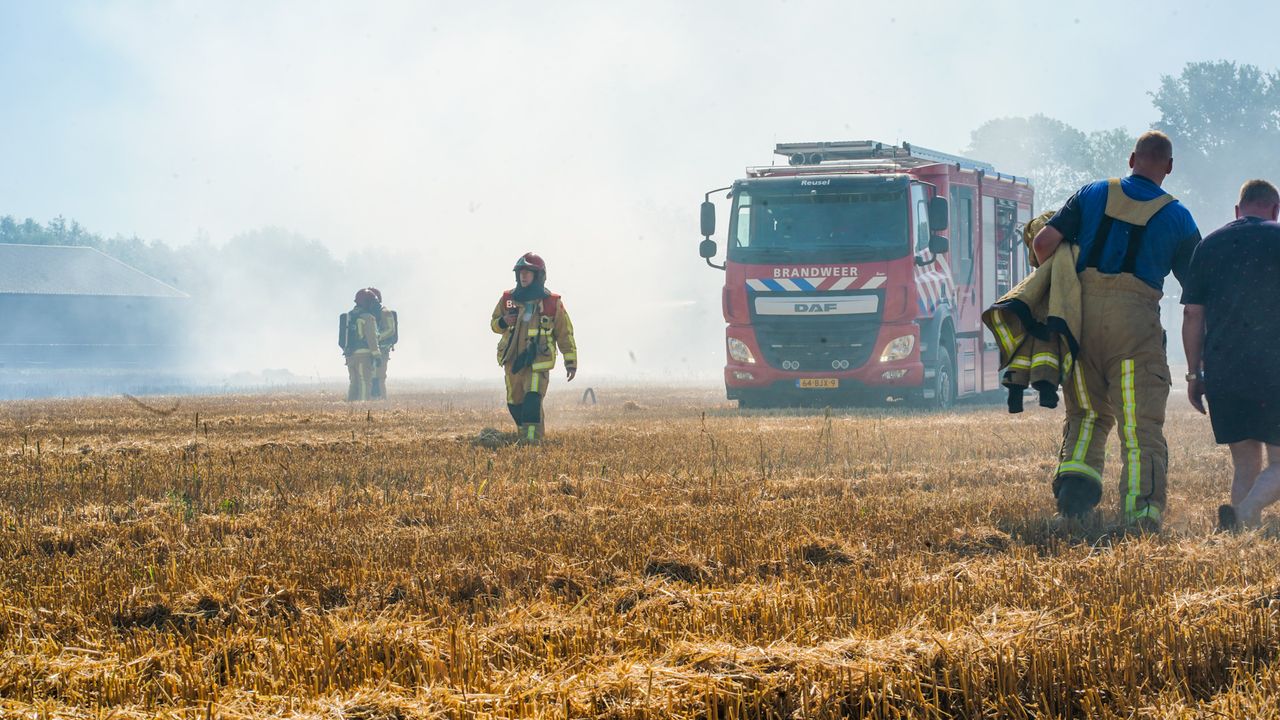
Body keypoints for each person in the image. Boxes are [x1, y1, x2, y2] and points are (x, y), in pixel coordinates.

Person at [1031, 131, 1201, 530]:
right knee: (1140, 426)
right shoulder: (1178, 216)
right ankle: (1141, 514)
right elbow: (1197, 289)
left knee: (1087, 414)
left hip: (1082, 320)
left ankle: (1074, 503)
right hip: (1135, 323)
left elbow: (1042, 244)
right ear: (1169, 167)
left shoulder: (1091, 192)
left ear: (1131, 159)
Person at [1181, 179, 1280, 530]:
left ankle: (1241, 540)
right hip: (1274, 369)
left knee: (1246, 465)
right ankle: (1247, 511)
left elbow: (1192, 314)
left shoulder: (1209, 245)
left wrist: (1194, 374)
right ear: (1275, 209)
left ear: (1238, 211)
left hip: (1225, 372)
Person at [490, 252, 577, 442]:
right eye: (521, 272)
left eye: (528, 272)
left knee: (532, 401)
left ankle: (531, 443)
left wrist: (570, 362)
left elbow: (565, 333)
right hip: (513, 361)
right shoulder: (508, 299)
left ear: (538, 275)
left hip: (538, 362)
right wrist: (504, 321)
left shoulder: (552, 303)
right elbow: (494, 325)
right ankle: (525, 435)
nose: (523, 276)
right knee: (515, 404)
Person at [342, 288, 382, 401]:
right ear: (367, 303)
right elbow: (371, 338)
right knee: (365, 382)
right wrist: (377, 355)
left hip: (350, 355)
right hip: (364, 356)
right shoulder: (368, 318)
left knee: (354, 383)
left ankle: (351, 406)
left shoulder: (349, 316)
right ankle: (363, 408)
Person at [368, 287, 397, 399]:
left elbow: (391, 330)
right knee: (369, 376)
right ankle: (371, 399)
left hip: (383, 349)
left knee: (379, 377)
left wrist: (377, 338)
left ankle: (382, 400)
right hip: (371, 349)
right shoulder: (369, 314)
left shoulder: (386, 313)